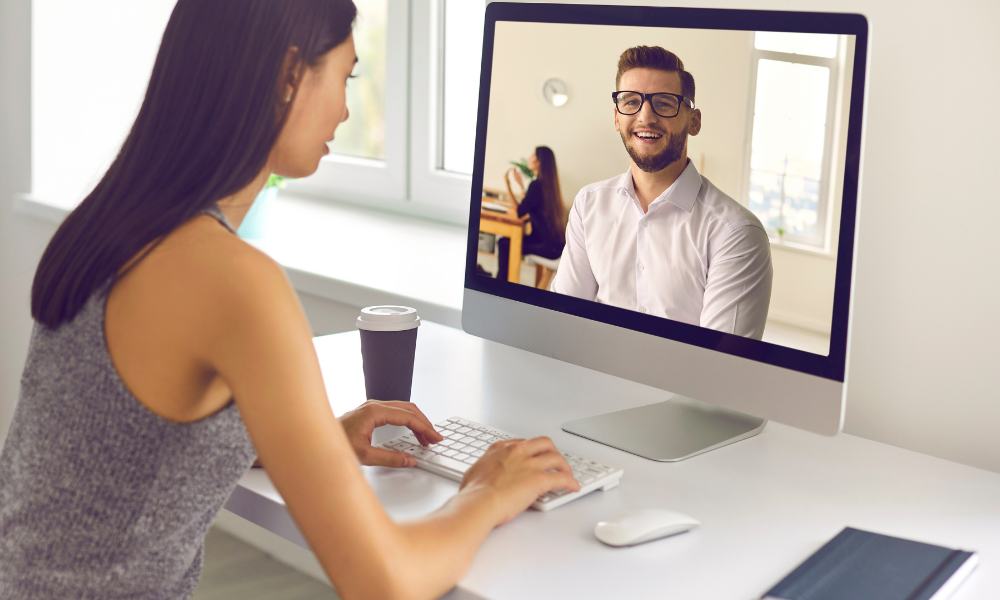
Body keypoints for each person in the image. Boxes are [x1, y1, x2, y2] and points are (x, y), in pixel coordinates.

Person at [0, 2, 579, 599]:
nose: (349, 109)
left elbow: (121, 452)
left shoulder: (110, 225)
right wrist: (486, 492)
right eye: (346, 76)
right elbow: (385, 582)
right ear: (287, 75)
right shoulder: (231, 278)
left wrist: (315, 440)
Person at [550, 46, 773, 340]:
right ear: (617, 117)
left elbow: (721, 371)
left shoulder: (736, 234)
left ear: (694, 121)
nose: (645, 117)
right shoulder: (589, 205)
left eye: (664, 104)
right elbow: (561, 321)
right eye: (630, 101)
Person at [495, 146, 566, 283]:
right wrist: (522, 186)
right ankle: (502, 282)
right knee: (504, 242)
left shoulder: (536, 185)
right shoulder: (548, 185)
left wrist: (508, 184)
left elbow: (519, 212)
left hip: (546, 247)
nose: (529, 158)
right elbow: (530, 206)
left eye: (533, 155)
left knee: (504, 244)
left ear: (539, 161)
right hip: (555, 245)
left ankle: (501, 285)